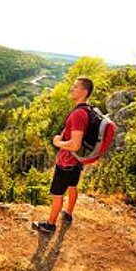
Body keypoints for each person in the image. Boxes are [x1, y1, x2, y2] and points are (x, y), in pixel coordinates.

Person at [32, 77, 93, 233]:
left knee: (58, 193)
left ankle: (50, 225)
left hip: (67, 162)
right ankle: (68, 213)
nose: (72, 89)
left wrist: (57, 143)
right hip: (77, 160)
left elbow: (75, 144)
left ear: (84, 92)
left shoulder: (78, 114)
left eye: (75, 87)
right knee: (73, 186)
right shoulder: (88, 110)